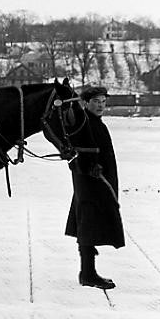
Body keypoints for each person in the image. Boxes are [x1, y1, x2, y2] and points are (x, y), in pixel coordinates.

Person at [65, 85, 124, 289]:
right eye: (96, 102)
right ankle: (88, 273)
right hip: (89, 184)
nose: (100, 106)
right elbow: (72, 155)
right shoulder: (82, 124)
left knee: (90, 225)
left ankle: (88, 272)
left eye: (103, 102)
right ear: (86, 103)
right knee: (87, 226)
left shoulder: (97, 123)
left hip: (99, 184)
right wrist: (89, 169)